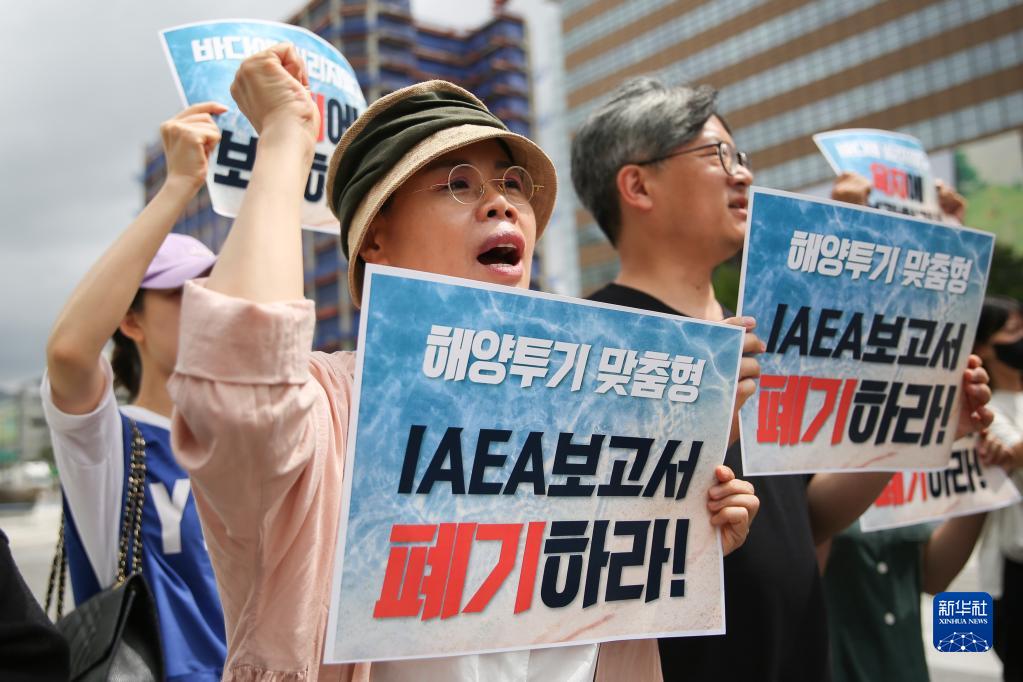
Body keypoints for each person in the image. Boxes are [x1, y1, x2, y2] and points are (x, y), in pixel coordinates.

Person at [167, 45, 760, 682]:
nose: (500, 204)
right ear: (375, 238)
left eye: (512, 185)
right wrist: (286, 136)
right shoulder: (330, 410)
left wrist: (681, 523)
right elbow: (241, 389)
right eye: (456, 184)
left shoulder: (594, 413)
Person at [569, 76, 994, 681]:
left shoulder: (767, 333)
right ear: (637, 185)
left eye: (740, 156)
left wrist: (918, 424)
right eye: (717, 155)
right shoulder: (592, 346)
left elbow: (809, 516)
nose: (742, 174)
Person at [42, 103, 228, 681]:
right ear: (131, 321)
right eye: (179, 292)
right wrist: (178, 186)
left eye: (209, 288)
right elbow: (69, 354)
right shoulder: (111, 444)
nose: (202, 303)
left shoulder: (243, 440)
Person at [821, 174, 1011, 682]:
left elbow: (933, 577)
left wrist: (984, 480)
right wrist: (845, 227)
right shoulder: (805, 436)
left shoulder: (941, 422)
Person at [975, 296, 1023, 681]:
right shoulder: (983, 411)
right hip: (1014, 569)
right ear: (985, 346)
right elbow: (1010, 453)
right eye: (1013, 330)